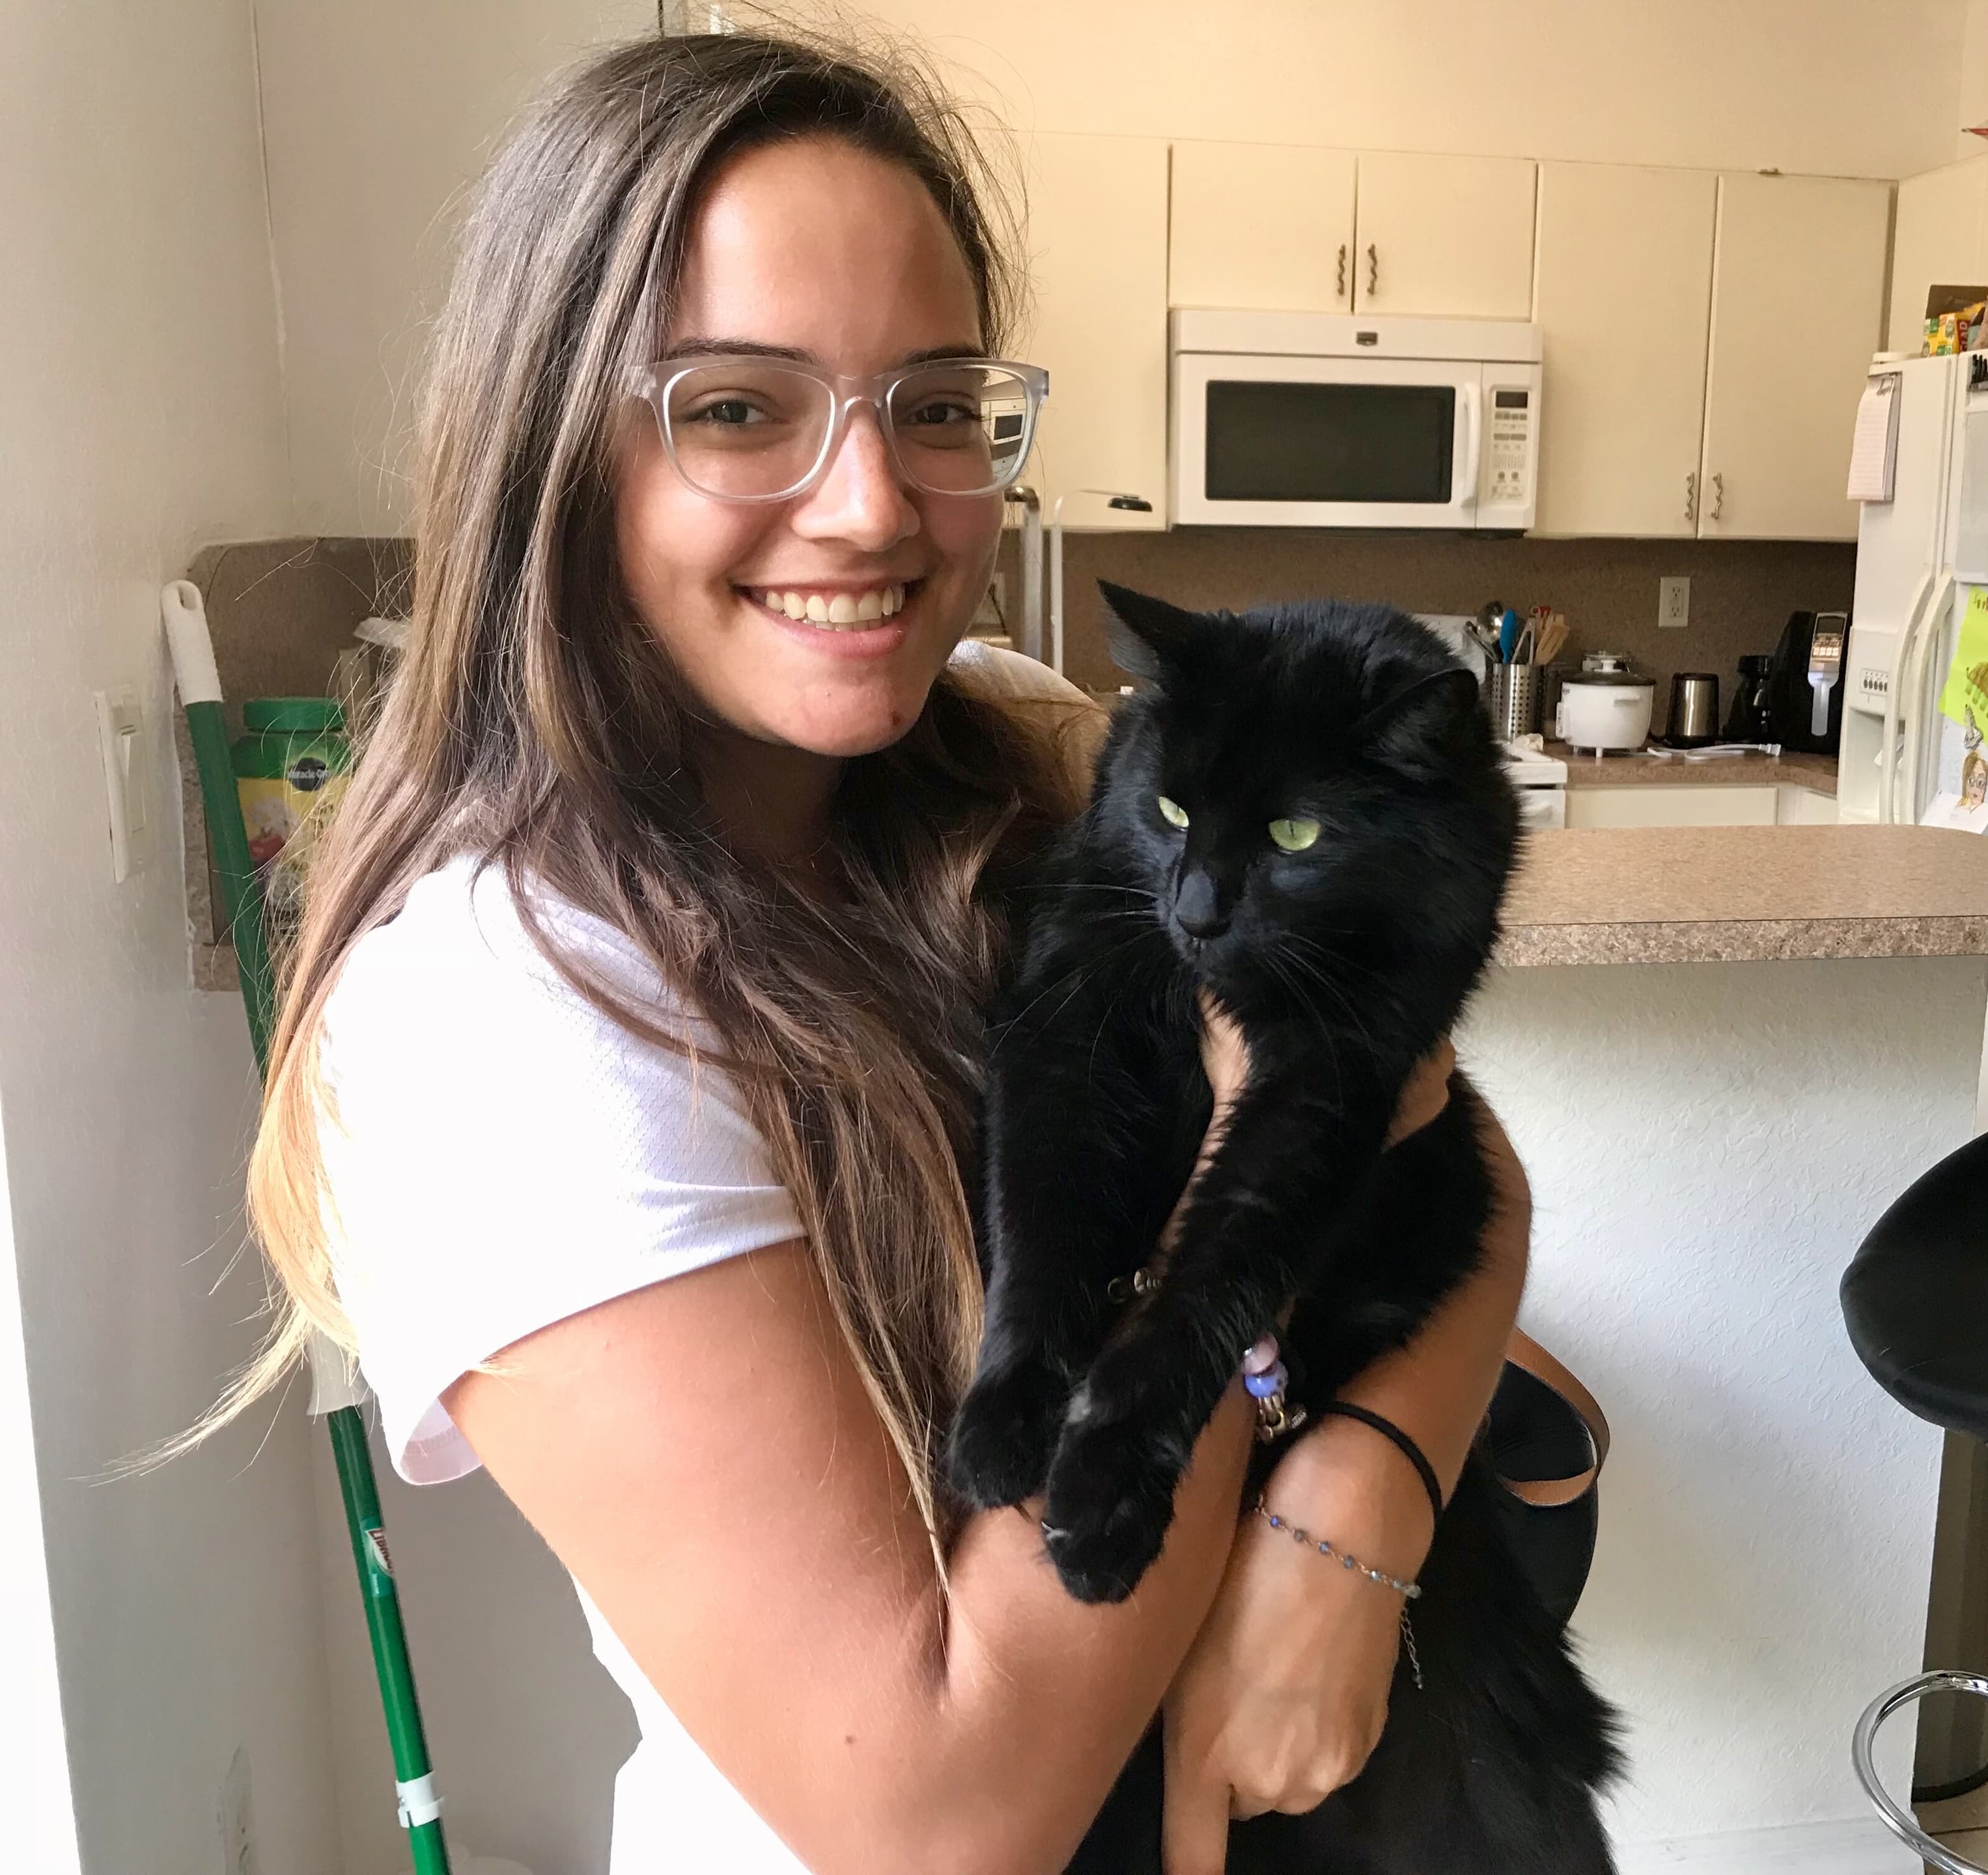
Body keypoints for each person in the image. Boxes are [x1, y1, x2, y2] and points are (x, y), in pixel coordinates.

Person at [231, 29, 1529, 1875]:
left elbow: (1454, 1155)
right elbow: (946, 1811)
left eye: (935, 405)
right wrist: (1243, 1320)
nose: (873, 508)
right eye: (741, 406)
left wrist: (1360, 1500)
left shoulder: (1014, 736)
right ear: (552, 447)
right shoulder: (503, 993)